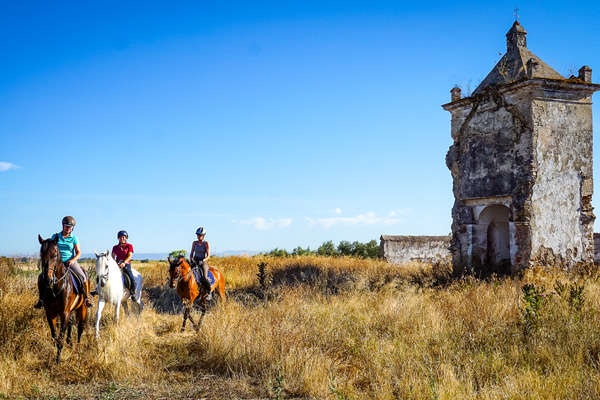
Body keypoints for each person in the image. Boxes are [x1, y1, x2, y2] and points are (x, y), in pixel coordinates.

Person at [34, 216, 93, 308]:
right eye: (66, 226)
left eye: (70, 227)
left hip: (70, 262)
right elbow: (50, 248)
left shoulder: (74, 238)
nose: (68, 228)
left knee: (82, 276)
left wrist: (73, 260)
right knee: (41, 277)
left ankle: (86, 298)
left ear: (72, 228)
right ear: (63, 226)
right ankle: (41, 300)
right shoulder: (56, 236)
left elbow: (78, 252)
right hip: (57, 263)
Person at [111, 230, 136, 299]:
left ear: (126, 238)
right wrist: (113, 264)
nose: (122, 238)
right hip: (117, 264)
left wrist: (124, 263)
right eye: (121, 237)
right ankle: (98, 290)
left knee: (131, 278)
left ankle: (132, 292)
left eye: (124, 237)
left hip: (126, 264)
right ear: (118, 238)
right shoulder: (115, 247)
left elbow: (130, 256)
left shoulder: (129, 246)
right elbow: (112, 257)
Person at [190, 227, 211, 291]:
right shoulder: (194, 243)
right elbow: (191, 253)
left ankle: (208, 291)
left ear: (203, 235)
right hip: (195, 260)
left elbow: (208, 256)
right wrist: (191, 259)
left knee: (204, 277)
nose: (198, 236)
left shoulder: (206, 243)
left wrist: (204, 260)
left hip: (202, 261)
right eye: (197, 235)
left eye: (200, 235)